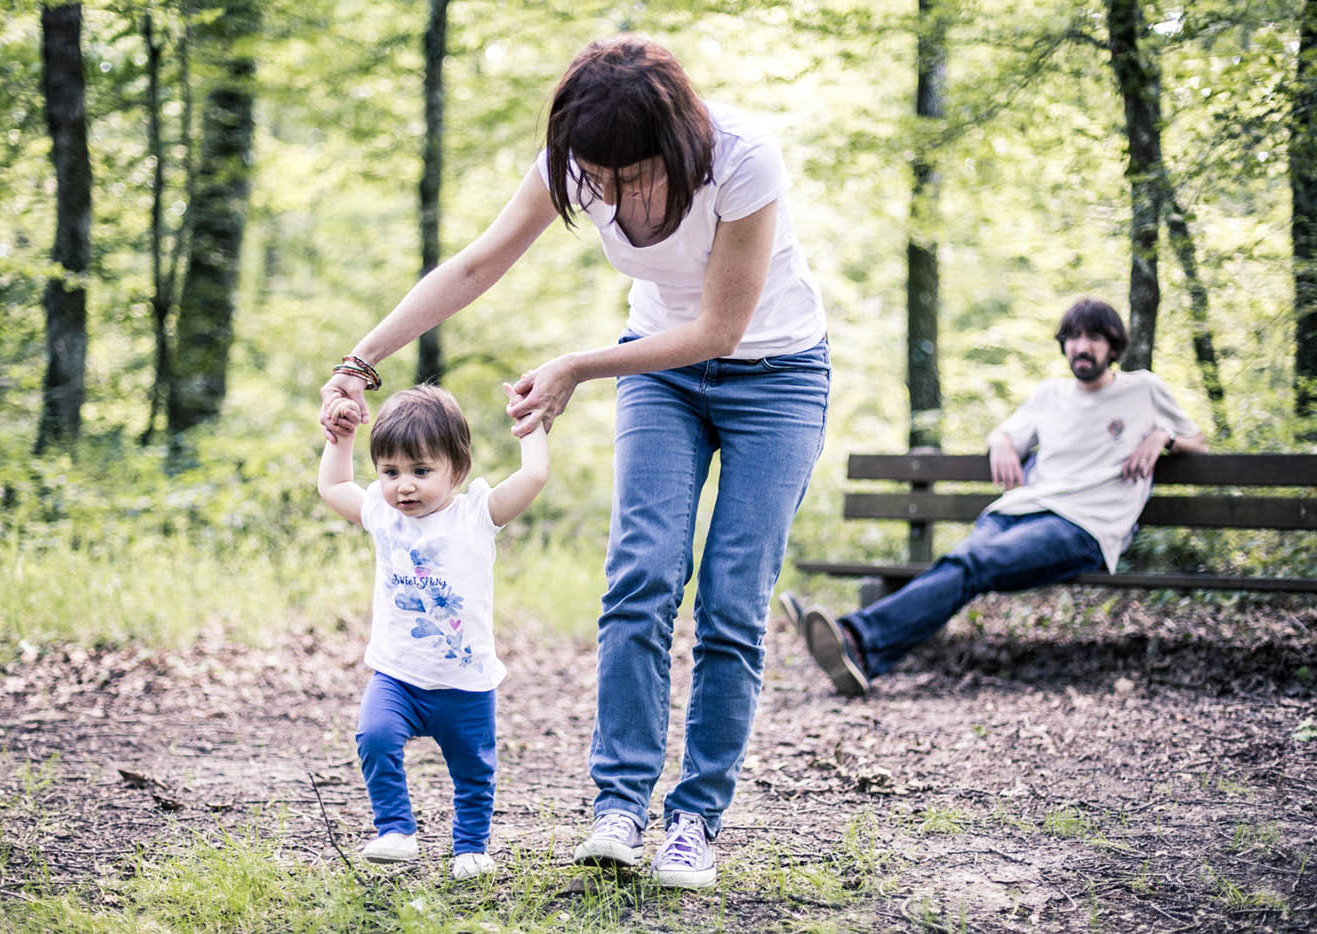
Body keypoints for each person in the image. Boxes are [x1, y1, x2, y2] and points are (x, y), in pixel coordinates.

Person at [319, 35, 828, 888]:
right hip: (659, 377)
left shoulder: (745, 160)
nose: (614, 192)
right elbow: (478, 264)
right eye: (598, 176)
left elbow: (721, 331)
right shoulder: (576, 166)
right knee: (641, 578)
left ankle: (695, 820)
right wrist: (357, 363)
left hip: (775, 378)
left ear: (679, 140)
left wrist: (577, 367)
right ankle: (620, 807)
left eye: (633, 175)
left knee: (733, 602)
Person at [783, 298, 1207, 697]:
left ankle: (855, 638)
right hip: (1017, 511)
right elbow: (1009, 432)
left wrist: (1162, 435)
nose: (1083, 347)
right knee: (961, 565)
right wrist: (1002, 439)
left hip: (1083, 526)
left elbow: (1197, 441)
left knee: (972, 565)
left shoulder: (1142, 390)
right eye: (1074, 337)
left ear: (1113, 346)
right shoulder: (1049, 395)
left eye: (1094, 337)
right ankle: (860, 653)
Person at [317, 383, 549, 878]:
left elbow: (533, 475)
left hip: (463, 684)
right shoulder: (382, 515)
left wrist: (531, 424)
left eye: (422, 471)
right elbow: (334, 488)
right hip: (398, 676)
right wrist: (339, 439)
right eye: (391, 472)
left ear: (457, 471)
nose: (404, 485)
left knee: (473, 770)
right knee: (374, 736)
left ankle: (469, 847)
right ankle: (396, 830)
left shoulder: (476, 516)